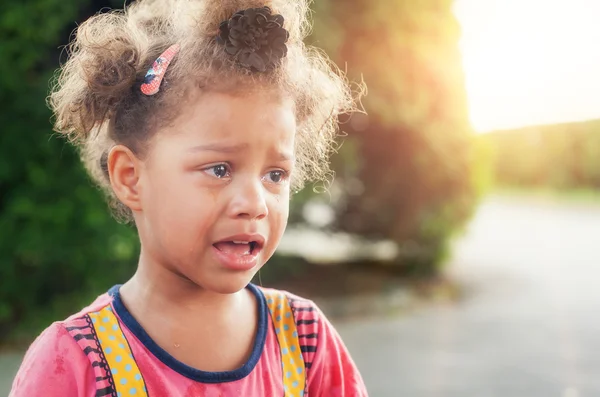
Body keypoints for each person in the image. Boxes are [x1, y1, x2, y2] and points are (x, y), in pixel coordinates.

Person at [9, 0, 367, 396]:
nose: (255, 203)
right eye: (219, 169)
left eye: (275, 174)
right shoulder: (74, 364)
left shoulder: (304, 342)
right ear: (131, 177)